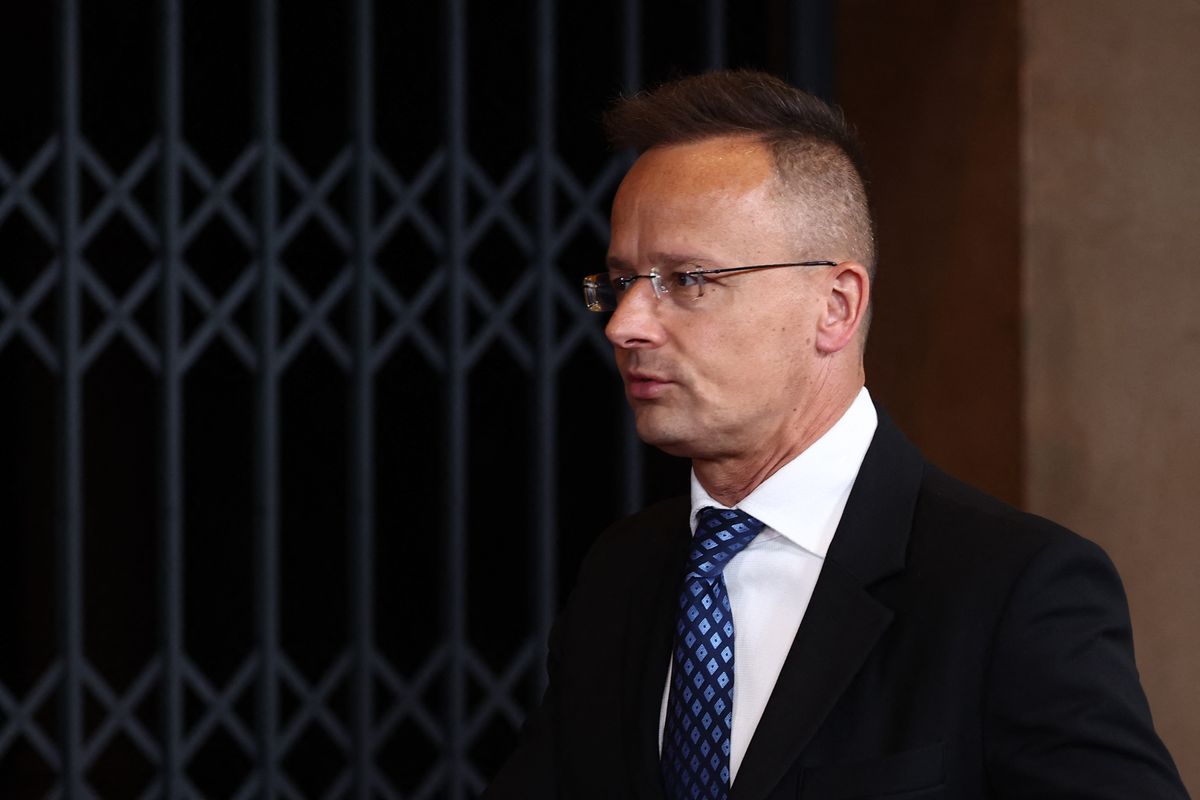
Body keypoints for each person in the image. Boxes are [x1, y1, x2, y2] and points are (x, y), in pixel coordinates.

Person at [483, 70, 1188, 800]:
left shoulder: (1011, 590)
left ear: (836, 306)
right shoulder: (621, 576)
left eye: (686, 279)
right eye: (622, 280)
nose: (626, 323)